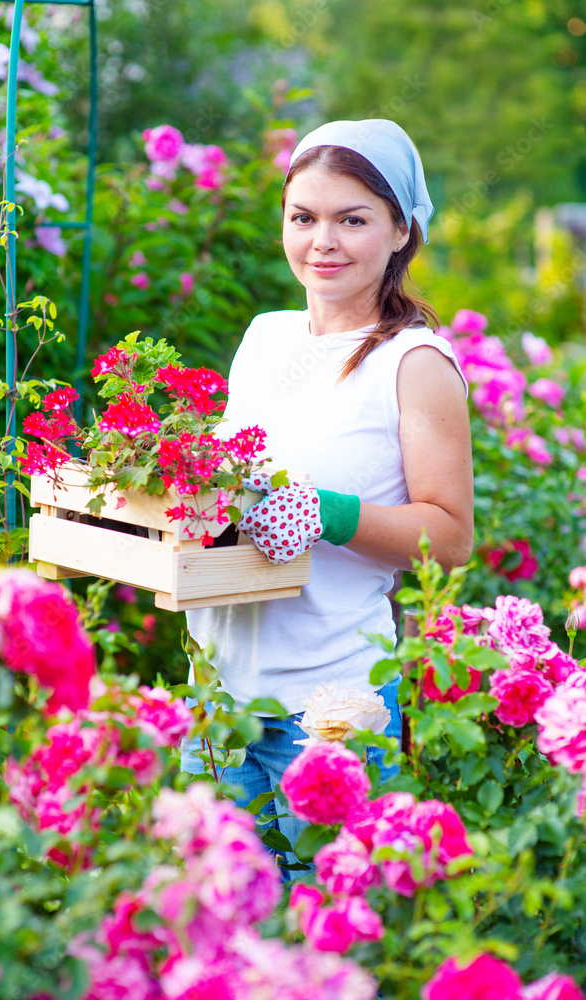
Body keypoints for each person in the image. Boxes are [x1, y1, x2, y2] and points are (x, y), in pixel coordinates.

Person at [181, 119, 474, 866]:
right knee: (214, 953)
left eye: (353, 219)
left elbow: (449, 537)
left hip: (331, 713)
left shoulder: (413, 362)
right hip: (216, 704)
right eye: (304, 218)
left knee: (329, 960)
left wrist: (325, 512)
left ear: (401, 230)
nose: (324, 241)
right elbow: (228, 494)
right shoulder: (266, 338)